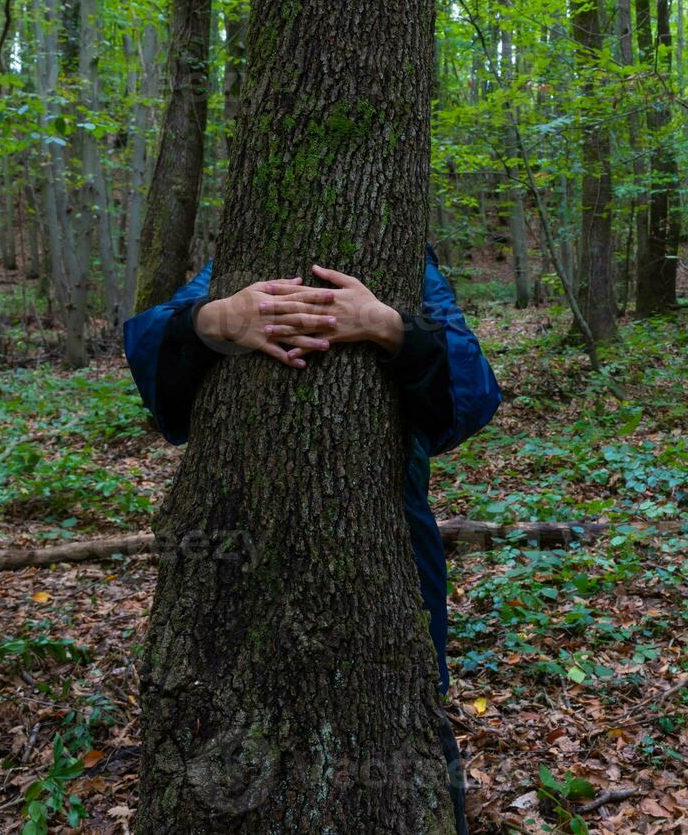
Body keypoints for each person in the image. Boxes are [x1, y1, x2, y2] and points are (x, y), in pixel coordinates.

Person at [123, 245, 499, 835]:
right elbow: (151, 346)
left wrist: (388, 326)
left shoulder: (409, 259)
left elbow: (474, 391)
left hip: (387, 538)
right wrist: (215, 321)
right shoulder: (238, 254)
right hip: (238, 542)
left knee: (401, 710)